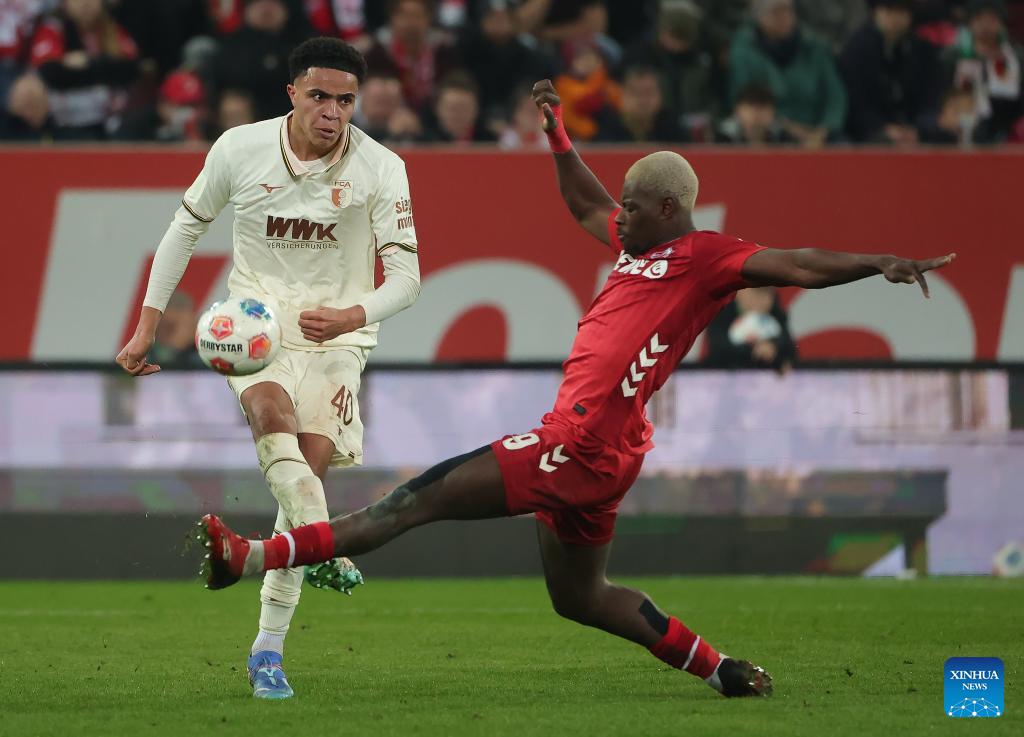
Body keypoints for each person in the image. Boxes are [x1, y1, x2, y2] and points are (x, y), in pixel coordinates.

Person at [196, 77, 955, 699]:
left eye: (634, 206)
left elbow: (797, 262)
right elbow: (585, 203)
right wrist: (559, 138)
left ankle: (253, 557)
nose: (618, 216)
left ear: (668, 210)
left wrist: (877, 262)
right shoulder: (636, 247)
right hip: (605, 451)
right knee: (580, 597)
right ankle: (719, 669)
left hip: (578, 442)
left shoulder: (704, 258)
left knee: (411, 501)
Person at [116, 37, 421, 700]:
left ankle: (267, 647)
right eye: (319, 96)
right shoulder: (240, 148)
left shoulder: (382, 167)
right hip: (256, 326)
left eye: (345, 100)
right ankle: (324, 548)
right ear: (292, 93)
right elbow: (183, 230)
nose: (332, 112)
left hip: (338, 338)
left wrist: (351, 314)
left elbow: (407, 278)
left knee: (303, 480)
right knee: (268, 413)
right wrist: (147, 325)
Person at [729, 0, 847, 147]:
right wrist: (789, 129)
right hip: (769, 132)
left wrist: (824, 130)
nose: (784, 17)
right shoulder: (744, 50)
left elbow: (835, 96)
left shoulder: (814, 47)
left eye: (788, 10)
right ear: (760, 18)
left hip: (820, 134)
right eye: (775, 12)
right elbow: (745, 99)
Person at [839, 0, 942, 144]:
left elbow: (930, 98)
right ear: (876, 12)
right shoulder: (856, 50)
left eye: (901, 11)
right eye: (889, 10)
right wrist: (882, 128)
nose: (895, 18)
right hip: (869, 132)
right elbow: (856, 105)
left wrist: (919, 128)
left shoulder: (922, 50)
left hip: (914, 130)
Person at [704, 287, 797, 371]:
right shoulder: (721, 312)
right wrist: (753, 350)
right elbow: (718, 351)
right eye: (755, 293)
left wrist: (773, 347)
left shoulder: (776, 315)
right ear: (739, 293)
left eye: (766, 294)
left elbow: (790, 350)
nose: (760, 301)